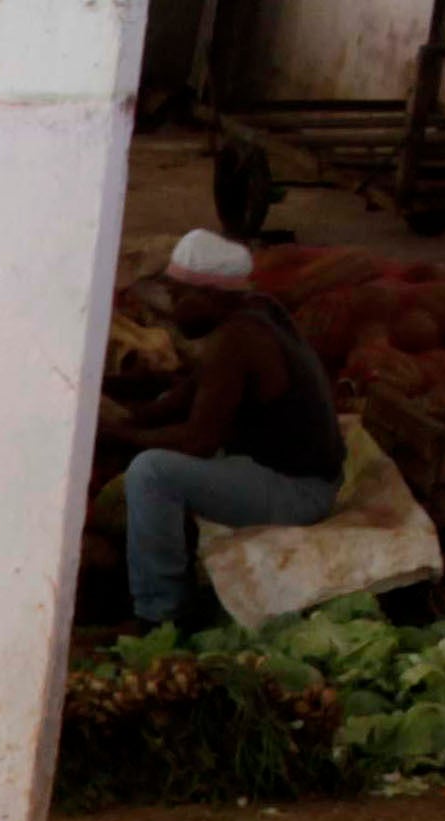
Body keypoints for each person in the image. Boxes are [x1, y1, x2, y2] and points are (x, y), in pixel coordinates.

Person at [109, 229, 344, 630]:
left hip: (300, 492)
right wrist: (127, 417)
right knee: (155, 457)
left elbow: (198, 441)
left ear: (214, 294)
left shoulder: (237, 339)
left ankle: (161, 614)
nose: (174, 308)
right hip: (289, 473)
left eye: (180, 296)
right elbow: (186, 393)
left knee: (151, 472)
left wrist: (120, 435)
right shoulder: (251, 314)